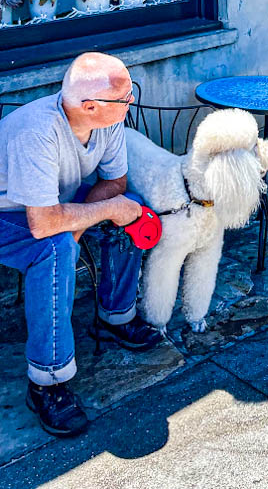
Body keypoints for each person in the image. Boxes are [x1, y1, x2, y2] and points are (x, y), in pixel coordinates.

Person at [0, 53, 161, 438]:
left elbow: (116, 184)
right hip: (9, 211)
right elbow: (42, 224)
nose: (131, 102)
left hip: (56, 203)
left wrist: (105, 213)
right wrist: (87, 220)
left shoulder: (107, 121)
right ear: (90, 106)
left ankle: (116, 317)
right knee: (55, 249)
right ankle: (47, 382)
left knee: (133, 213)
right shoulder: (37, 132)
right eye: (125, 98)